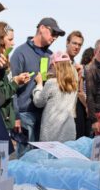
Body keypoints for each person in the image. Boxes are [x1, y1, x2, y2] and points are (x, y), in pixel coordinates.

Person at [10, 17, 64, 154]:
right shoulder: (20, 53)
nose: (55, 38)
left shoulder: (50, 56)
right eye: (53, 33)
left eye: (57, 36)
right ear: (42, 28)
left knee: (42, 160)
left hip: (45, 117)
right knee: (26, 159)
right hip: (25, 115)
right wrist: (16, 116)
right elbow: (11, 88)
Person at [0, 21, 30, 135]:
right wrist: (15, 82)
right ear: (0, 40)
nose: (13, 43)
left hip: (5, 120)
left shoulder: (5, 60)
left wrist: (16, 80)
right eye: (10, 39)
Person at [32, 51, 78, 142]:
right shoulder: (73, 84)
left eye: (51, 66)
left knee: (50, 155)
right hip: (69, 130)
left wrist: (39, 84)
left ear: (54, 65)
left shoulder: (51, 83)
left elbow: (38, 102)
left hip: (52, 131)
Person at [75, 47, 95, 138]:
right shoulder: (84, 69)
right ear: (91, 57)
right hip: (83, 106)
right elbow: (80, 92)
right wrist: (88, 107)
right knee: (83, 135)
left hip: (90, 107)